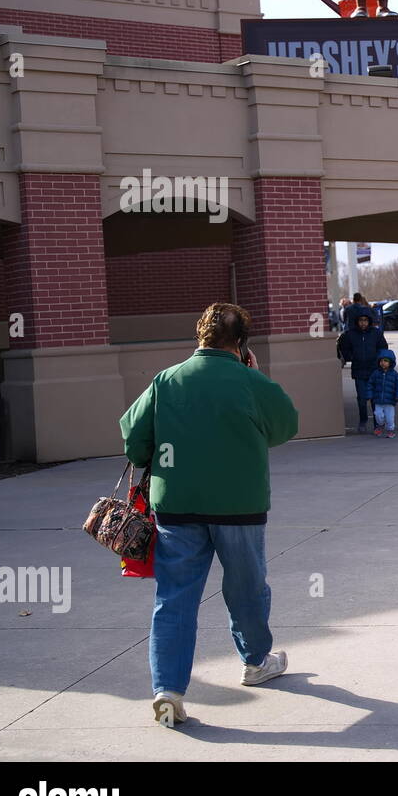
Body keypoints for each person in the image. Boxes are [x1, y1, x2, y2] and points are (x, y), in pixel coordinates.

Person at [119, 303, 298, 727]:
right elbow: (285, 426)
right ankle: (256, 662)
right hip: (239, 506)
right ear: (241, 344)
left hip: (176, 506)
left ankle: (168, 690)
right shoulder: (249, 380)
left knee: (174, 598)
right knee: (247, 588)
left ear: (199, 336)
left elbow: (133, 439)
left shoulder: (166, 380)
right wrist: (254, 376)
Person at [338, 311, 389, 434]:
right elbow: (342, 347)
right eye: (361, 320)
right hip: (359, 370)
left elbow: (383, 347)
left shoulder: (376, 333)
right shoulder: (350, 334)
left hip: (374, 370)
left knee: (375, 399)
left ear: (369, 321)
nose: (363, 323)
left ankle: (378, 423)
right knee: (362, 398)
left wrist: (380, 361)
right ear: (357, 321)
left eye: (365, 320)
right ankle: (363, 420)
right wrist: (351, 356)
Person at [366, 348, 398, 438]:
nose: (383, 363)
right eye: (381, 361)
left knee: (390, 418)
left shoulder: (395, 375)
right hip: (378, 400)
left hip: (390, 401)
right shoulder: (376, 373)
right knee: (378, 415)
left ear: (391, 362)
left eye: (386, 361)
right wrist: (369, 394)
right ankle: (380, 425)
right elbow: (370, 384)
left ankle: (390, 429)